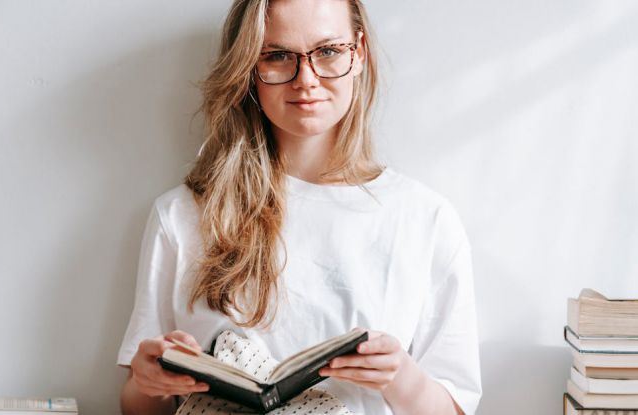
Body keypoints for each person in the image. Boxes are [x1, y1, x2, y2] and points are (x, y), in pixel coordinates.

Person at [117, 0, 482, 413]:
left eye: (328, 52)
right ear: (249, 69)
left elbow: (454, 408)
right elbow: (139, 407)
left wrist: (399, 375)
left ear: (358, 53)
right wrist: (150, 383)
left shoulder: (425, 220)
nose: (305, 79)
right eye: (277, 56)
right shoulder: (183, 214)